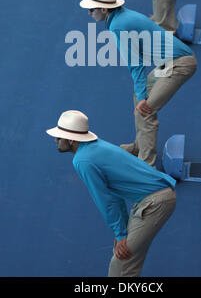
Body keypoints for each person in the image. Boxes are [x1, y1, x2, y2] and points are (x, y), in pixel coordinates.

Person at [46, 109, 176, 277]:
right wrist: (120, 230)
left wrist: (121, 233)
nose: (56, 140)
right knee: (129, 260)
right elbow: (113, 194)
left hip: (155, 203)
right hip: (151, 198)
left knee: (122, 262)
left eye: (59, 136)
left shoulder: (83, 160)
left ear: (71, 140)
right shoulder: (95, 146)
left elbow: (106, 200)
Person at [80, 0, 197, 167]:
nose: (89, 13)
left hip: (179, 64)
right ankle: (141, 146)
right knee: (140, 97)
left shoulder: (118, 25)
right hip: (170, 62)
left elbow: (136, 64)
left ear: (103, 8)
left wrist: (144, 98)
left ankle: (146, 165)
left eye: (91, 9)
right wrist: (141, 95)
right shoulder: (122, 15)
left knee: (146, 109)